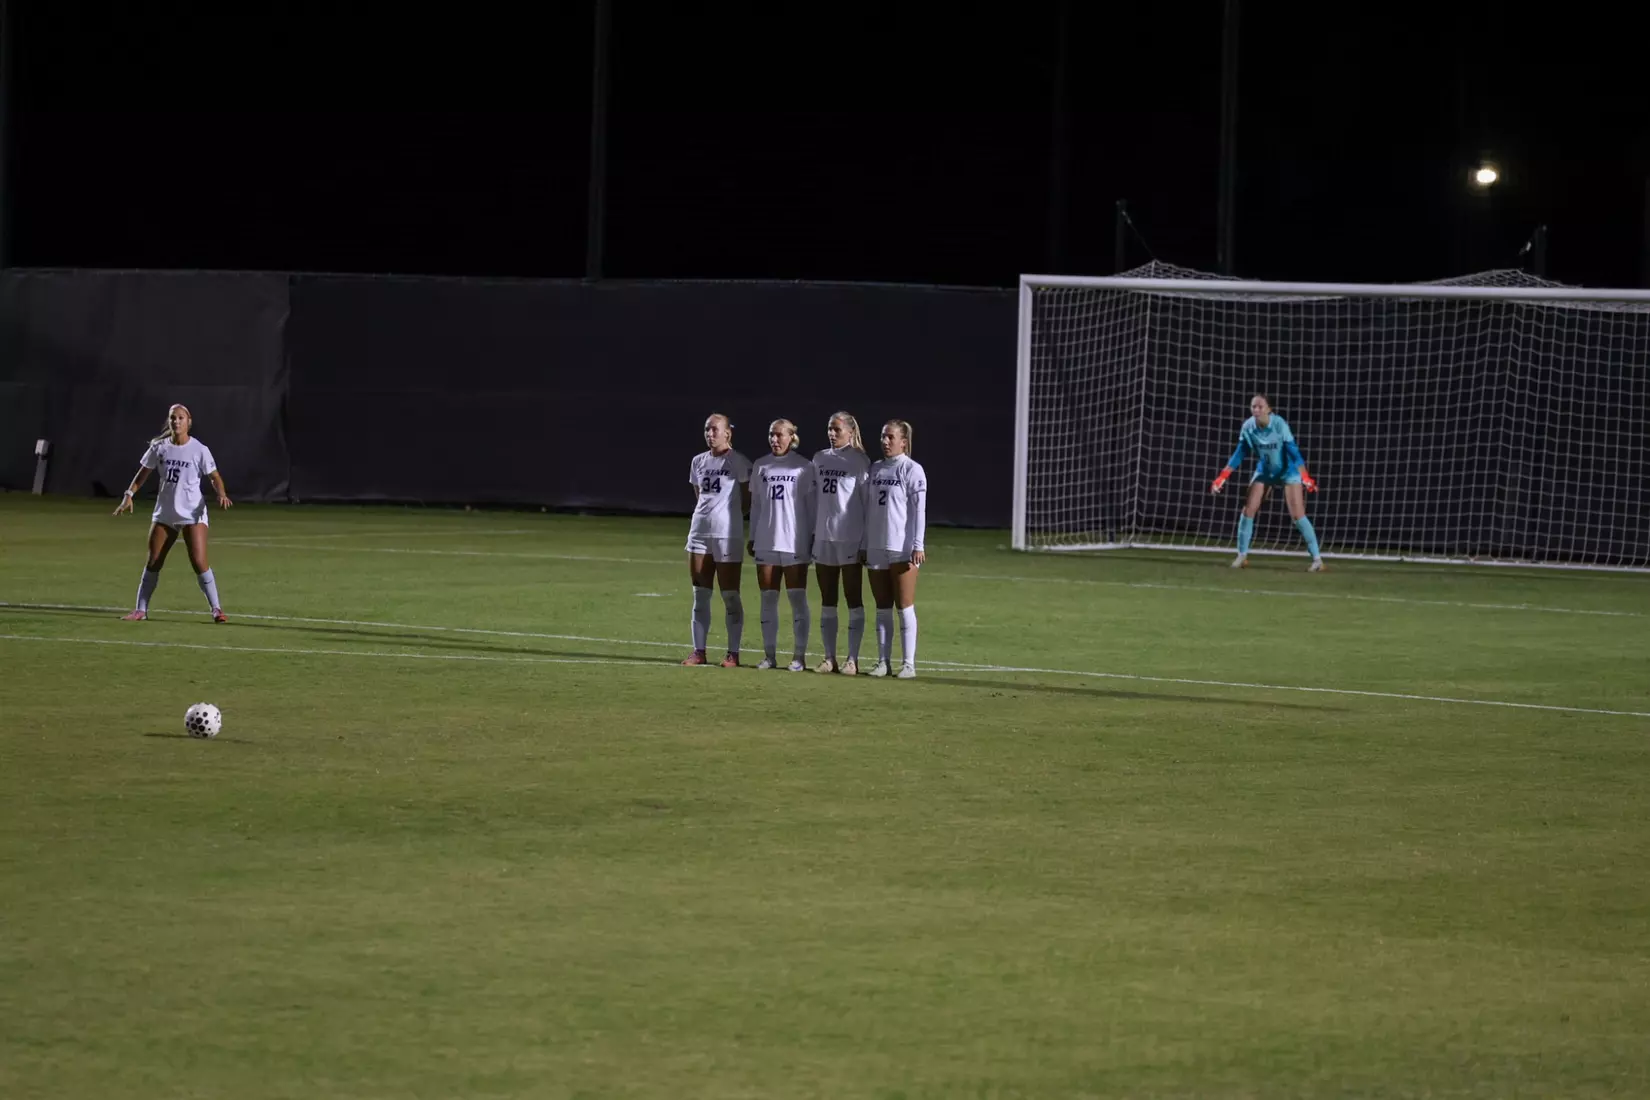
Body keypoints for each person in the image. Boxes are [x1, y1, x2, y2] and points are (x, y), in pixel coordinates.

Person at [112, 403, 234, 621]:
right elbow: (143, 474)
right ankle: (141, 610)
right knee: (153, 561)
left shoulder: (199, 449)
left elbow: (214, 477)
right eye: (172, 418)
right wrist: (129, 494)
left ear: (189, 422)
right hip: (165, 514)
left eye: (180, 418)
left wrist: (221, 494)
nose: (176, 421)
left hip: (192, 514)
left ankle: (216, 609)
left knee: (199, 561)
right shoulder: (160, 447)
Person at [1210, 393, 1324, 571]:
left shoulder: (1279, 424)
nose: (1255, 410)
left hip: (1288, 472)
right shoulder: (1248, 426)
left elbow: (1293, 452)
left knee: (1298, 515)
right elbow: (1240, 453)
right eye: (1253, 406)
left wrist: (1305, 477)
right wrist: (1222, 477)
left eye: (1260, 406)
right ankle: (1242, 555)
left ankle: (1317, 559)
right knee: (1248, 509)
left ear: (1268, 409)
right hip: (1265, 471)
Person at [747, 419, 817, 670]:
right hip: (766, 541)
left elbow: (812, 508)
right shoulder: (761, 466)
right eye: (771, 435)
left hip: (794, 543)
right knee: (768, 600)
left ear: (791, 438)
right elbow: (756, 506)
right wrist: (753, 536)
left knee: (797, 599)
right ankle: (769, 656)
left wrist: (811, 538)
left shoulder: (803, 467)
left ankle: (799, 657)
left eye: (779, 435)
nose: (774, 440)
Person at [683, 413, 752, 667]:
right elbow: (699, 495)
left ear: (727, 433)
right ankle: (698, 651)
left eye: (715, 430)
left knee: (730, 595)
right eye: (707, 430)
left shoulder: (739, 462)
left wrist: (728, 516)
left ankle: (733, 653)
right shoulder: (698, 461)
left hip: (727, 535)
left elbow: (747, 500)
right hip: (699, 533)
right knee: (700, 594)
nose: (710, 434)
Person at [862, 419, 927, 679]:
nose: (885, 442)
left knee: (904, 606)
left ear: (903, 441)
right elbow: (868, 511)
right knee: (881, 607)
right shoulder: (875, 469)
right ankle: (882, 662)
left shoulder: (912, 469)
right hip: (877, 545)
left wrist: (917, 544)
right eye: (883, 437)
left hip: (901, 547)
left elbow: (919, 510)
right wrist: (865, 543)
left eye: (890, 437)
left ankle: (908, 664)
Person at [809, 410, 872, 674]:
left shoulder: (860, 461)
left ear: (850, 431)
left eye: (837, 429)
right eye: (830, 429)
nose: (832, 434)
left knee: (853, 598)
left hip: (850, 538)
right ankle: (829, 657)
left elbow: (867, 504)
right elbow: (813, 499)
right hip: (824, 538)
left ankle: (852, 659)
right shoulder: (819, 458)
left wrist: (865, 541)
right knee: (827, 599)